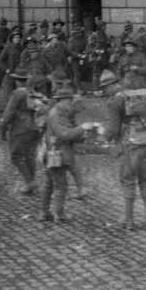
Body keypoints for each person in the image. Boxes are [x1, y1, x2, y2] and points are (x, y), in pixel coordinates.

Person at [102, 70, 146, 229]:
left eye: (105, 87)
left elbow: (112, 130)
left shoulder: (114, 102)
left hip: (129, 146)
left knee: (128, 182)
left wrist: (103, 135)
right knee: (145, 182)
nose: (104, 91)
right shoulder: (140, 96)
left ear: (112, 85)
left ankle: (129, 221)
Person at [40, 84, 96, 222]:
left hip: (53, 152)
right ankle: (59, 215)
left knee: (49, 184)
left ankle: (44, 213)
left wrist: (84, 135)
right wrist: (82, 127)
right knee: (60, 185)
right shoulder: (56, 114)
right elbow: (64, 134)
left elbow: (71, 132)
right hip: (56, 154)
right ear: (62, 100)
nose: (71, 103)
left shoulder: (62, 113)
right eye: (69, 100)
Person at [0, 67, 48, 194]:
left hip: (20, 128)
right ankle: (31, 183)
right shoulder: (33, 92)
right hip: (36, 128)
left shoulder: (18, 93)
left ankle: (30, 182)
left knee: (16, 157)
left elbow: (8, 114)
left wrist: (3, 129)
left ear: (16, 80)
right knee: (29, 156)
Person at [0, 28, 24, 101]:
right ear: (12, 39)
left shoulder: (22, 48)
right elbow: (1, 60)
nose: (17, 39)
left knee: (19, 93)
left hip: (19, 73)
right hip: (10, 73)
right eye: (15, 37)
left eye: (19, 37)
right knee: (8, 92)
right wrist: (6, 69)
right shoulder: (8, 48)